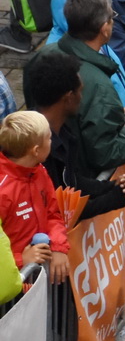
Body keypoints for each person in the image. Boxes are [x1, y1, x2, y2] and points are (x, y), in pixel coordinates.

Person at [20, 48, 125, 220]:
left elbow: (72, 181)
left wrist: (111, 187)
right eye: (80, 92)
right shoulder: (38, 149)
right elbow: (59, 210)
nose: (82, 98)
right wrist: (115, 198)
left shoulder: (63, 130)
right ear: (69, 97)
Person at [51, 0, 125, 176]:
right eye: (112, 17)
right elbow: (105, 154)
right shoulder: (98, 85)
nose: (113, 21)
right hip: (82, 182)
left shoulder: (46, 54)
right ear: (104, 28)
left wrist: (110, 113)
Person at [0, 113, 70, 284]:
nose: (52, 141)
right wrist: (20, 261)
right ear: (36, 150)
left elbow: (52, 214)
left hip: (38, 280)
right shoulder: (3, 189)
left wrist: (58, 246)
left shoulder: (38, 171)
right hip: (13, 289)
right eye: (49, 137)